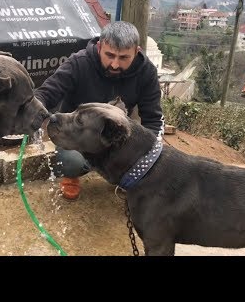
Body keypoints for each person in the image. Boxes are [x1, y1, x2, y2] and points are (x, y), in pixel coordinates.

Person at [34, 21, 164, 201]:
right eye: (109, 55)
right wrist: (33, 109)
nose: (115, 64)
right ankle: (71, 176)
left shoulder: (146, 72)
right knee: (71, 163)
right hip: (77, 133)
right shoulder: (79, 63)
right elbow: (47, 92)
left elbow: (153, 118)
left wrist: (147, 160)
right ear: (99, 46)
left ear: (137, 51)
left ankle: (125, 177)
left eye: (124, 57)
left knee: (145, 152)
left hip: (114, 135)